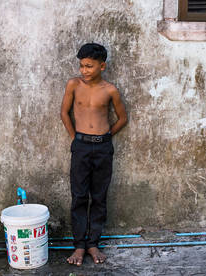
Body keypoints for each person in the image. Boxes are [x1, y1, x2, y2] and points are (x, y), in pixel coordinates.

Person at [60, 43, 128, 266]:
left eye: (89, 66)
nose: (84, 71)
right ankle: (79, 246)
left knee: (98, 197)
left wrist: (106, 136)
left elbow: (122, 118)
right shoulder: (73, 85)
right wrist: (75, 138)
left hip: (102, 148)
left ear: (102, 66)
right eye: (81, 66)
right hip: (80, 145)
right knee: (79, 196)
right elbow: (64, 112)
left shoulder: (110, 90)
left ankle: (93, 244)